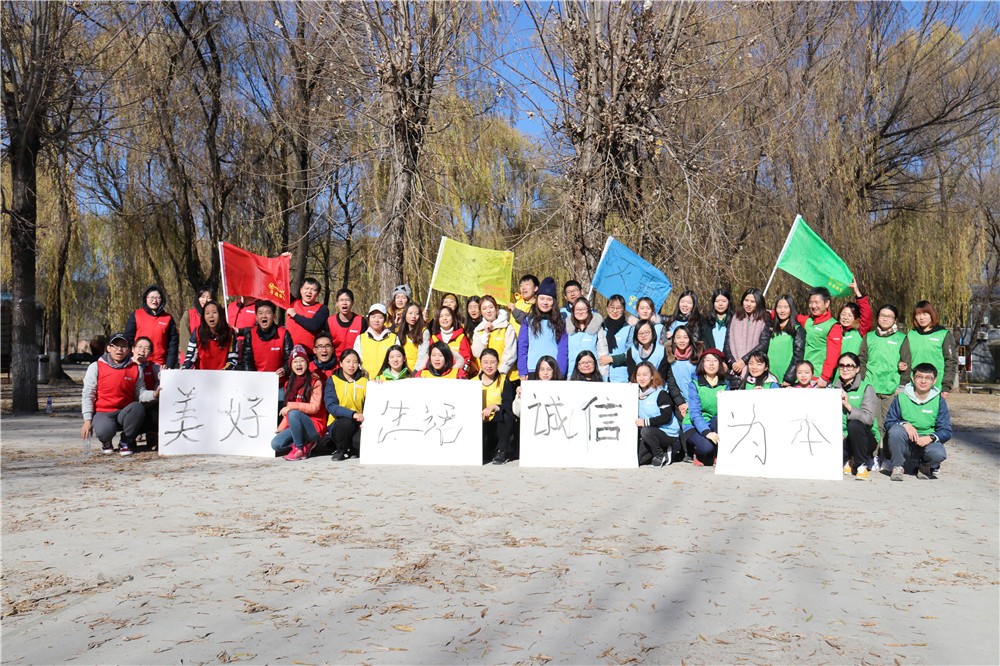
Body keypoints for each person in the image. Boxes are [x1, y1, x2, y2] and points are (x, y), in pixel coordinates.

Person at [884, 362, 951, 481]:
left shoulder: (939, 401)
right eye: (919, 377)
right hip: (905, 443)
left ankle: (925, 466)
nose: (923, 381)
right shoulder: (901, 397)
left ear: (934, 380)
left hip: (926, 443)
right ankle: (898, 466)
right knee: (896, 430)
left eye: (928, 378)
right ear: (913, 378)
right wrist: (904, 424)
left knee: (938, 453)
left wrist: (930, 437)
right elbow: (889, 422)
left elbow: (946, 430)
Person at [81, 332, 145, 457]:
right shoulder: (96, 367)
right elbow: (88, 394)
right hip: (103, 412)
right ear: (108, 348)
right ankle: (106, 441)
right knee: (104, 431)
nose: (119, 349)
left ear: (129, 350)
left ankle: (125, 441)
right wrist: (87, 420)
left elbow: (140, 394)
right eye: (115, 346)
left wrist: (155, 394)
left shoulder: (136, 368)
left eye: (123, 346)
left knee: (138, 408)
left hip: (124, 412)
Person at [859, 303, 907, 462]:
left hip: (891, 389)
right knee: (872, 424)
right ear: (877, 317)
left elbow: (907, 363)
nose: (885, 319)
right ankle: (872, 457)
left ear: (895, 319)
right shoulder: (870, 337)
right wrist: (863, 383)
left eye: (889, 316)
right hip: (871, 388)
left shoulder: (901, 338)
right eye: (882, 315)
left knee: (888, 425)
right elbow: (862, 360)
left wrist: (901, 386)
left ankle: (887, 457)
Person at [271, 345, 327, 461]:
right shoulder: (288, 384)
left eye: (302, 361)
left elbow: (314, 407)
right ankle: (306, 444)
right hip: (296, 424)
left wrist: (291, 407)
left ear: (307, 363)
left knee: (293, 413)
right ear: (291, 365)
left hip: (314, 426)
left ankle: (299, 448)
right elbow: (288, 412)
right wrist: (280, 429)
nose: (298, 364)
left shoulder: (315, 381)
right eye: (295, 361)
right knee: (276, 444)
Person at [832, 352, 879, 479]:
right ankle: (847, 459)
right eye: (841, 366)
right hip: (842, 437)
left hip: (864, 437)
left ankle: (861, 464)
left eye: (849, 366)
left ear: (857, 369)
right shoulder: (831, 389)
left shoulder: (866, 388)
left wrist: (849, 407)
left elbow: (868, 419)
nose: (845, 369)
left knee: (855, 424)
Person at [899, 300, 957, 396]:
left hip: (936, 388)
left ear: (931, 315)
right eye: (918, 315)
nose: (921, 318)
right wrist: (903, 382)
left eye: (925, 314)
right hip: (913, 387)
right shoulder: (911, 335)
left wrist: (946, 386)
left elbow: (950, 362)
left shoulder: (943, 334)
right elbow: (906, 361)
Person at [683, 348, 730, 466]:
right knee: (706, 448)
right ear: (702, 363)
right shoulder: (695, 384)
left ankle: (717, 454)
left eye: (715, 360)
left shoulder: (726, 384)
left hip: (714, 422)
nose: (711, 363)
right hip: (693, 425)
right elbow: (694, 413)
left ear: (720, 364)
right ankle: (698, 453)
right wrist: (707, 432)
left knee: (720, 419)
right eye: (707, 360)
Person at [516, 277, 568, 379]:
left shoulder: (560, 322)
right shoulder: (528, 321)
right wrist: (522, 371)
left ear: (554, 302)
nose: (545, 302)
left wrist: (561, 372)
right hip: (532, 370)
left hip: (553, 371)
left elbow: (563, 349)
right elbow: (522, 347)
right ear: (537, 299)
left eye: (549, 299)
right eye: (542, 298)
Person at [635, 361, 682, 467]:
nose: (641, 378)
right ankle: (659, 449)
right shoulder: (635, 394)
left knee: (645, 431)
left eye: (645, 375)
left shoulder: (660, 393)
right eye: (638, 375)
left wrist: (645, 422)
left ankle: (660, 454)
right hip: (650, 433)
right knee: (639, 460)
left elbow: (666, 417)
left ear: (652, 376)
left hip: (667, 433)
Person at [325, 349, 368, 461]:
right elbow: (331, 406)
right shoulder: (333, 380)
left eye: (354, 362)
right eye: (348, 361)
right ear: (341, 363)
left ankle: (353, 449)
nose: (351, 365)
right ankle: (340, 450)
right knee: (346, 422)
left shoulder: (364, 381)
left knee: (358, 442)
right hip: (338, 422)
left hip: (359, 422)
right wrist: (352, 414)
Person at [125, 285, 180, 368]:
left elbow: (173, 344)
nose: (154, 301)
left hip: (160, 364)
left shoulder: (168, 318)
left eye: (158, 298)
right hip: (138, 362)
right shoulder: (136, 315)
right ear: (146, 298)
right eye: (151, 297)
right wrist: (129, 359)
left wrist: (170, 364)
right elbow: (128, 339)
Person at [798, 286, 843, 387]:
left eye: (817, 302)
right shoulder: (808, 321)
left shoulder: (833, 326)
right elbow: (790, 316)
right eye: (810, 302)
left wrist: (824, 377)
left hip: (818, 379)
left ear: (827, 303)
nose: (813, 306)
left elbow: (833, 354)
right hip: (803, 377)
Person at [725, 288, 771, 379]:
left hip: (755, 370)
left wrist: (744, 361)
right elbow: (727, 344)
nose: (748, 304)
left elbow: (763, 344)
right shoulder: (735, 318)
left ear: (758, 303)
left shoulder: (765, 320)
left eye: (753, 301)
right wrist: (733, 363)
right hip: (735, 372)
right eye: (746, 300)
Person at [479, 348, 515, 464]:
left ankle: (502, 451)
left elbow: (508, 404)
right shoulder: (474, 381)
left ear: (498, 363)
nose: (489, 366)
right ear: (480, 363)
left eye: (493, 362)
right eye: (485, 362)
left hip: (499, 425)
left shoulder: (503, 379)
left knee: (506, 414)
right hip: (482, 425)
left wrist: (494, 407)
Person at [240, 301, 293, 378]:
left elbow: (290, 359)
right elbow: (246, 362)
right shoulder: (250, 335)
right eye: (260, 313)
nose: (264, 316)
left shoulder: (284, 334)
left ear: (274, 316)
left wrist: (285, 370)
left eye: (268, 313)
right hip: (257, 381)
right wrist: (252, 379)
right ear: (256, 317)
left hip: (279, 382)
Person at [471, 296, 518, 379]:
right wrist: (485, 334)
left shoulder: (506, 327)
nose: (488, 311)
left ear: (496, 308)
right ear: (481, 312)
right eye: (484, 308)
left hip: (507, 376)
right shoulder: (478, 330)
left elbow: (510, 353)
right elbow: (477, 353)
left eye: (491, 307)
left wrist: (499, 374)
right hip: (486, 377)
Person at [181, 301, 237, 370]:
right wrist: (185, 368)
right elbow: (190, 357)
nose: (211, 316)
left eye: (214, 312)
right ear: (204, 316)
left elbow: (233, 359)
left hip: (223, 376)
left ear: (220, 315)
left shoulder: (230, 332)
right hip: (202, 375)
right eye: (207, 313)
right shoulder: (198, 332)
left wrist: (223, 372)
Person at [767, 294, 806, 386]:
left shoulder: (797, 329)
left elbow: (798, 356)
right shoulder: (770, 328)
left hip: (786, 381)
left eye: (786, 307)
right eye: (779, 307)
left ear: (791, 309)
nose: (782, 310)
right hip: (769, 379)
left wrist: (790, 377)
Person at [567, 297, 608, 379]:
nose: (580, 312)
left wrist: (604, 376)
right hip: (572, 374)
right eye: (577, 309)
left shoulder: (597, 328)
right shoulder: (567, 328)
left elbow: (603, 353)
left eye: (583, 309)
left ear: (588, 310)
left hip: (592, 374)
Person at [285, 278, 330, 355]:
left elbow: (314, 325)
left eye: (313, 290)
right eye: (306, 288)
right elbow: (279, 288)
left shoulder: (322, 309)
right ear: (301, 290)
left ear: (318, 293)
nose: (309, 292)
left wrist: (295, 315)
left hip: (310, 353)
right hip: (289, 352)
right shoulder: (292, 303)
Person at [132, 336, 161, 451]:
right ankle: (130, 436)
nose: (142, 350)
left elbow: (162, 375)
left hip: (148, 401)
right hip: (130, 404)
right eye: (139, 347)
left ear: (150, 353)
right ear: (133, 349)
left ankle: (152, 435)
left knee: (156, 405)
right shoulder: (125, 366)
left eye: (147, 348)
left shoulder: (153, 367)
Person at [327, 288, 367, 367]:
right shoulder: (329, 321)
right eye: (341, 300)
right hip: (335, 364)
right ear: (337, 303)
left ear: (352, 303)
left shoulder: (361, 321)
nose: (344, 303)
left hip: (355, 363)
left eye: (347, 300)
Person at [429, 305, 474, 375]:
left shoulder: (461, 337)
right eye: (441, 316)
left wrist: (461, 375)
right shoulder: (434, 338)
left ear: (453, 318)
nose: (444, 318)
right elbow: (430, 359)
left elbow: (467, 359)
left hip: (456, 377)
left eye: (447, 315)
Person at [353, 303, 396, 373]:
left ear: (385, 319)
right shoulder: (360, 338)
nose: (376, 320)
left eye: (380, 317)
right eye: (373, 316)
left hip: (387, 380)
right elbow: (357, 360)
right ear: (369, 318)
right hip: (366, 380)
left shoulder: (393, 338)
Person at [666, 325, 700, 409]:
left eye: (685, 337)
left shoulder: (698, 356)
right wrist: (681, 403)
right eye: (678, 337)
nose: (682, 341)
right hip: (679, 402)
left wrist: (693, 401)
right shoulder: (669, 357)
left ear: (690, 339)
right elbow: (672, 384)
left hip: (698, 400)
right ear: (674, 339)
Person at [601, 294, 632, 383]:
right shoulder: (600, 328)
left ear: (624, 309)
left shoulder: (629, 329)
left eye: (618, 308)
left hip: (621, 378)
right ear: (607, 308)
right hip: (602, 377)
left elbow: (631, 354)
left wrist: (612, 359)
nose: (615, 311)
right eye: (612, 307)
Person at [396, 302, 430, 373]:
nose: (413, 316)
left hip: (419, 371)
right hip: (404, 371)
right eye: (410, 313)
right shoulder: (401, 331)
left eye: (417, 314)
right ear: (405, 315)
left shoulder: (424, 332)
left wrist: (415, 371)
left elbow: (423, 355)